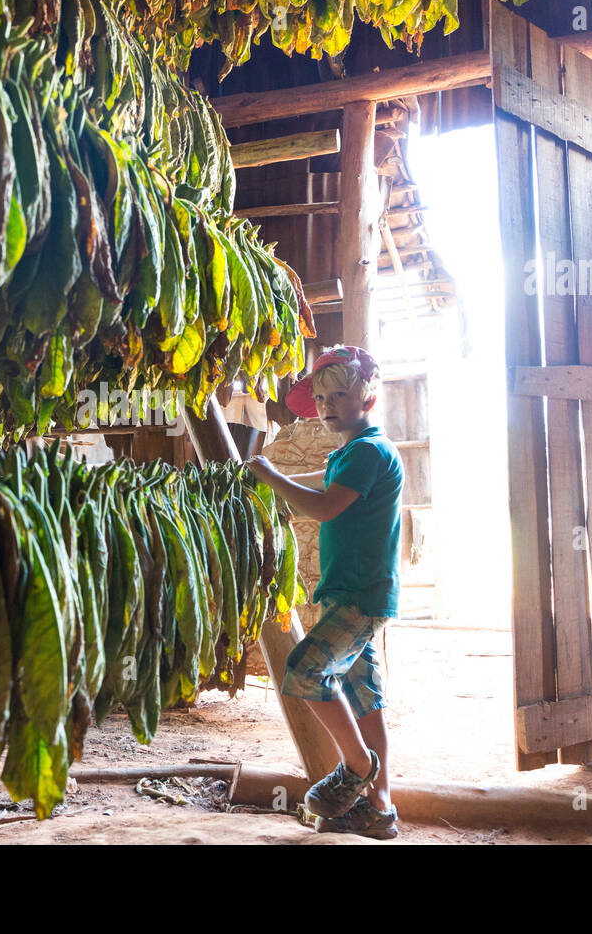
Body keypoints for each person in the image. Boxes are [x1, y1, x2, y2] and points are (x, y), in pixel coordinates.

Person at [245, 345, 404, 838]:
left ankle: (357, 768)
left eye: (339, 394)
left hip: (360, 594)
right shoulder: (351, 454)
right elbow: (316, 481)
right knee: (363, 695)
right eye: (320, 397)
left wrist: (270, 475)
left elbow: (327, 506)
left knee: (305, 670)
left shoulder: (368, 451)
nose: (328, 405)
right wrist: (269, 481)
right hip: (354, 592)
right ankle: (380, 810)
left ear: (368, 397)